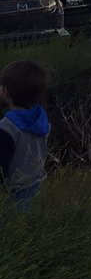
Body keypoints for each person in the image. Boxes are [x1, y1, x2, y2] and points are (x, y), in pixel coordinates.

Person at [0, 59, 50, 203]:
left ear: (4, 91)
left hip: (12, 194)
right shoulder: (41, 118)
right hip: (35, 185)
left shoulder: (6, 128)